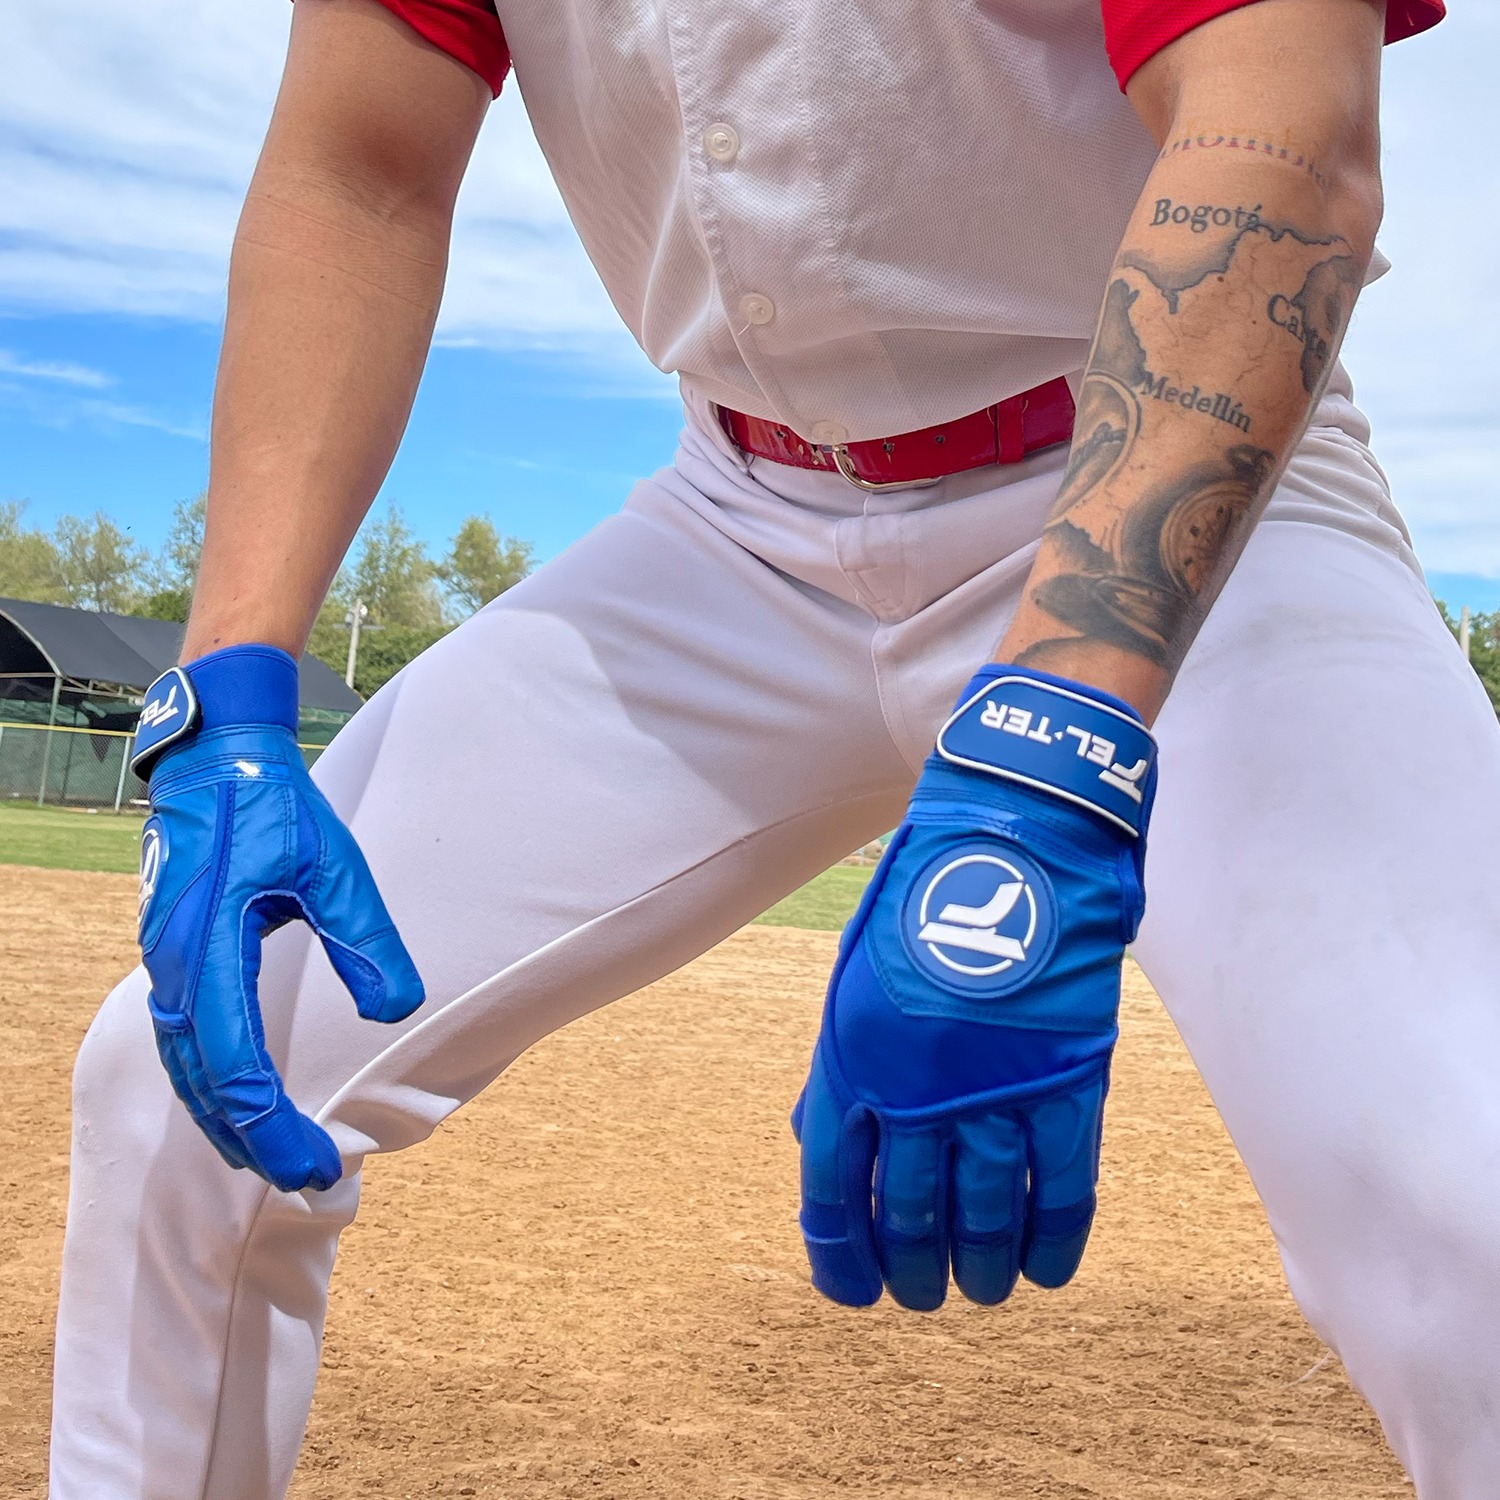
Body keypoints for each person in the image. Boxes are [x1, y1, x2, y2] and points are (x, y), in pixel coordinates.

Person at [51, 0, 1496, 1494]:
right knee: (189, 1068)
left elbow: (1285, 133)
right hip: (733, 524)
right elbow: (358, 170)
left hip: (1181, 487)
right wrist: (225, 691)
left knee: (1466, 1183)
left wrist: (1062, 723)